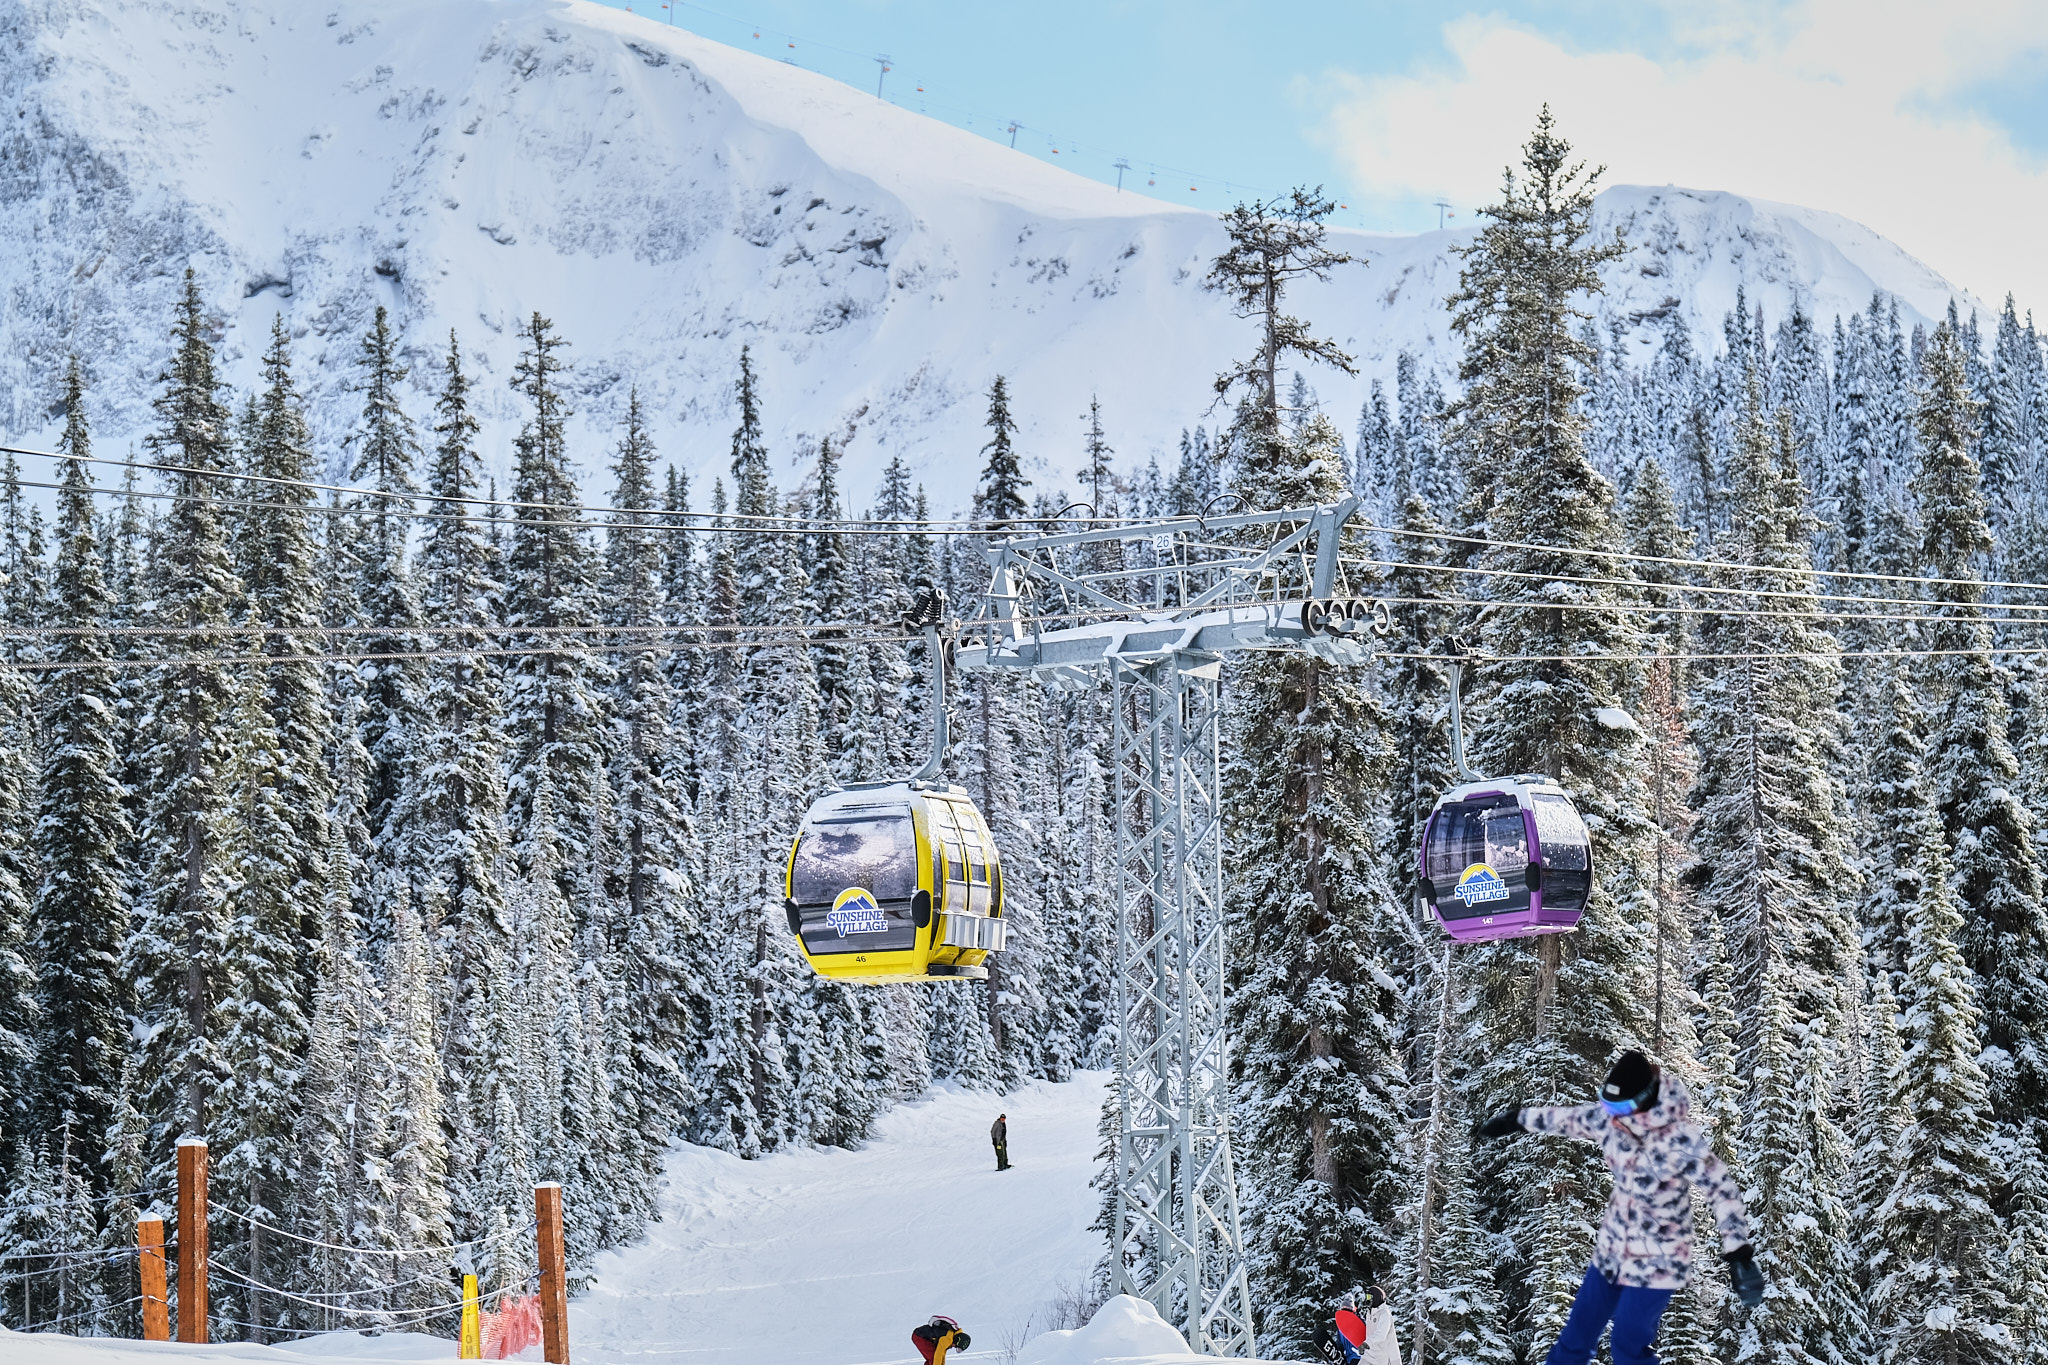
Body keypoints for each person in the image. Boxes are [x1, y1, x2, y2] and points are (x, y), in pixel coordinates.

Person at [1477, 1050, 1765, 1365]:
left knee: (1628, 1345)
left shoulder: (1679, 1140)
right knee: (1576, 1336)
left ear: (1645, 1099)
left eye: (1620, 1107)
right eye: (1608, 1105)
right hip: (1612, 1250)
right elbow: (1568, 1118)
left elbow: (1721, 1189)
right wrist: (1517, 1119)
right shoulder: (1611, 1121)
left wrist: (1739, 1253)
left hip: (1659, 1259)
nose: (1613, 1115)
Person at [1354, 1286, 1400, 1365]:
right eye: (1367, 1297)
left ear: (1377, 1297)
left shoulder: (1384, 1314)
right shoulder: (1369, 1312)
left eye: (1370, 1297)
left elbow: (1381, 1334)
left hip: (1382, 1357)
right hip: (1369, 1354)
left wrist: (1366, 1344)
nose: (1368, 1299)